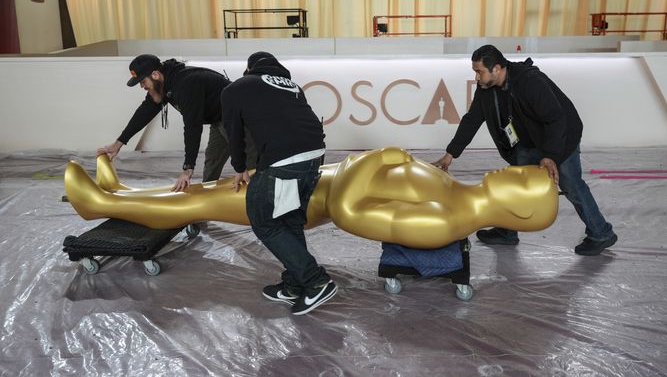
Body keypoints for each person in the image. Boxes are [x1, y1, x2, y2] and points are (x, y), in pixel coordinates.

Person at [64, 147, 558, 249]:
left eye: (521, 179)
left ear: (518, 209)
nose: (512, 168)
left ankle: (100, 205)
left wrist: (367, 162)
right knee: (212, 190)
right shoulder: (456, 192)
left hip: (306, 202)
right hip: (308, 179)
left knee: (199, 203)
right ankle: (123, 192)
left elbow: (350, 214)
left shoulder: (446, 221)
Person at [433, 44, 617, 256]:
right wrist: (451, 153)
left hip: (560, 137)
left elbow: (556, 119)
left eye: (479, 72)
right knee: (515, 184)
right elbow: (473, 119)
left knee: (571, 184)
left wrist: (551, 156)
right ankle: (507, 231)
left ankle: (601, 233)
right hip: (526, 141)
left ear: (497, 68)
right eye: (475, 72)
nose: (476, 78)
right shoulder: (486, 89)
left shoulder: (529, 82)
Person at [222, 51, 334, 315]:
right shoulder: (292, 86)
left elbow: (233, 132)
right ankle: (294, 285)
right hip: (315, 155)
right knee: (289, 219)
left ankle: (316, 281)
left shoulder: (236, 88)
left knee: (264, 219)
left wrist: (239, 167)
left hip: (286, 160)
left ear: (248, 69)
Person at [97, 54, 255, 192]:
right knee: (212, 160)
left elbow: (192, 126)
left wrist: (187, 169)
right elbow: (144, 113)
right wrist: (118, 144)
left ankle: (262, 200)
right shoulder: (165, 85)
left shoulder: (186, 84)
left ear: (155, 75)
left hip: (239, 117)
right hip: (218, 117)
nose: (142, 86)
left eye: (143, 81)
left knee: (250, 163)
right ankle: (205, 200)